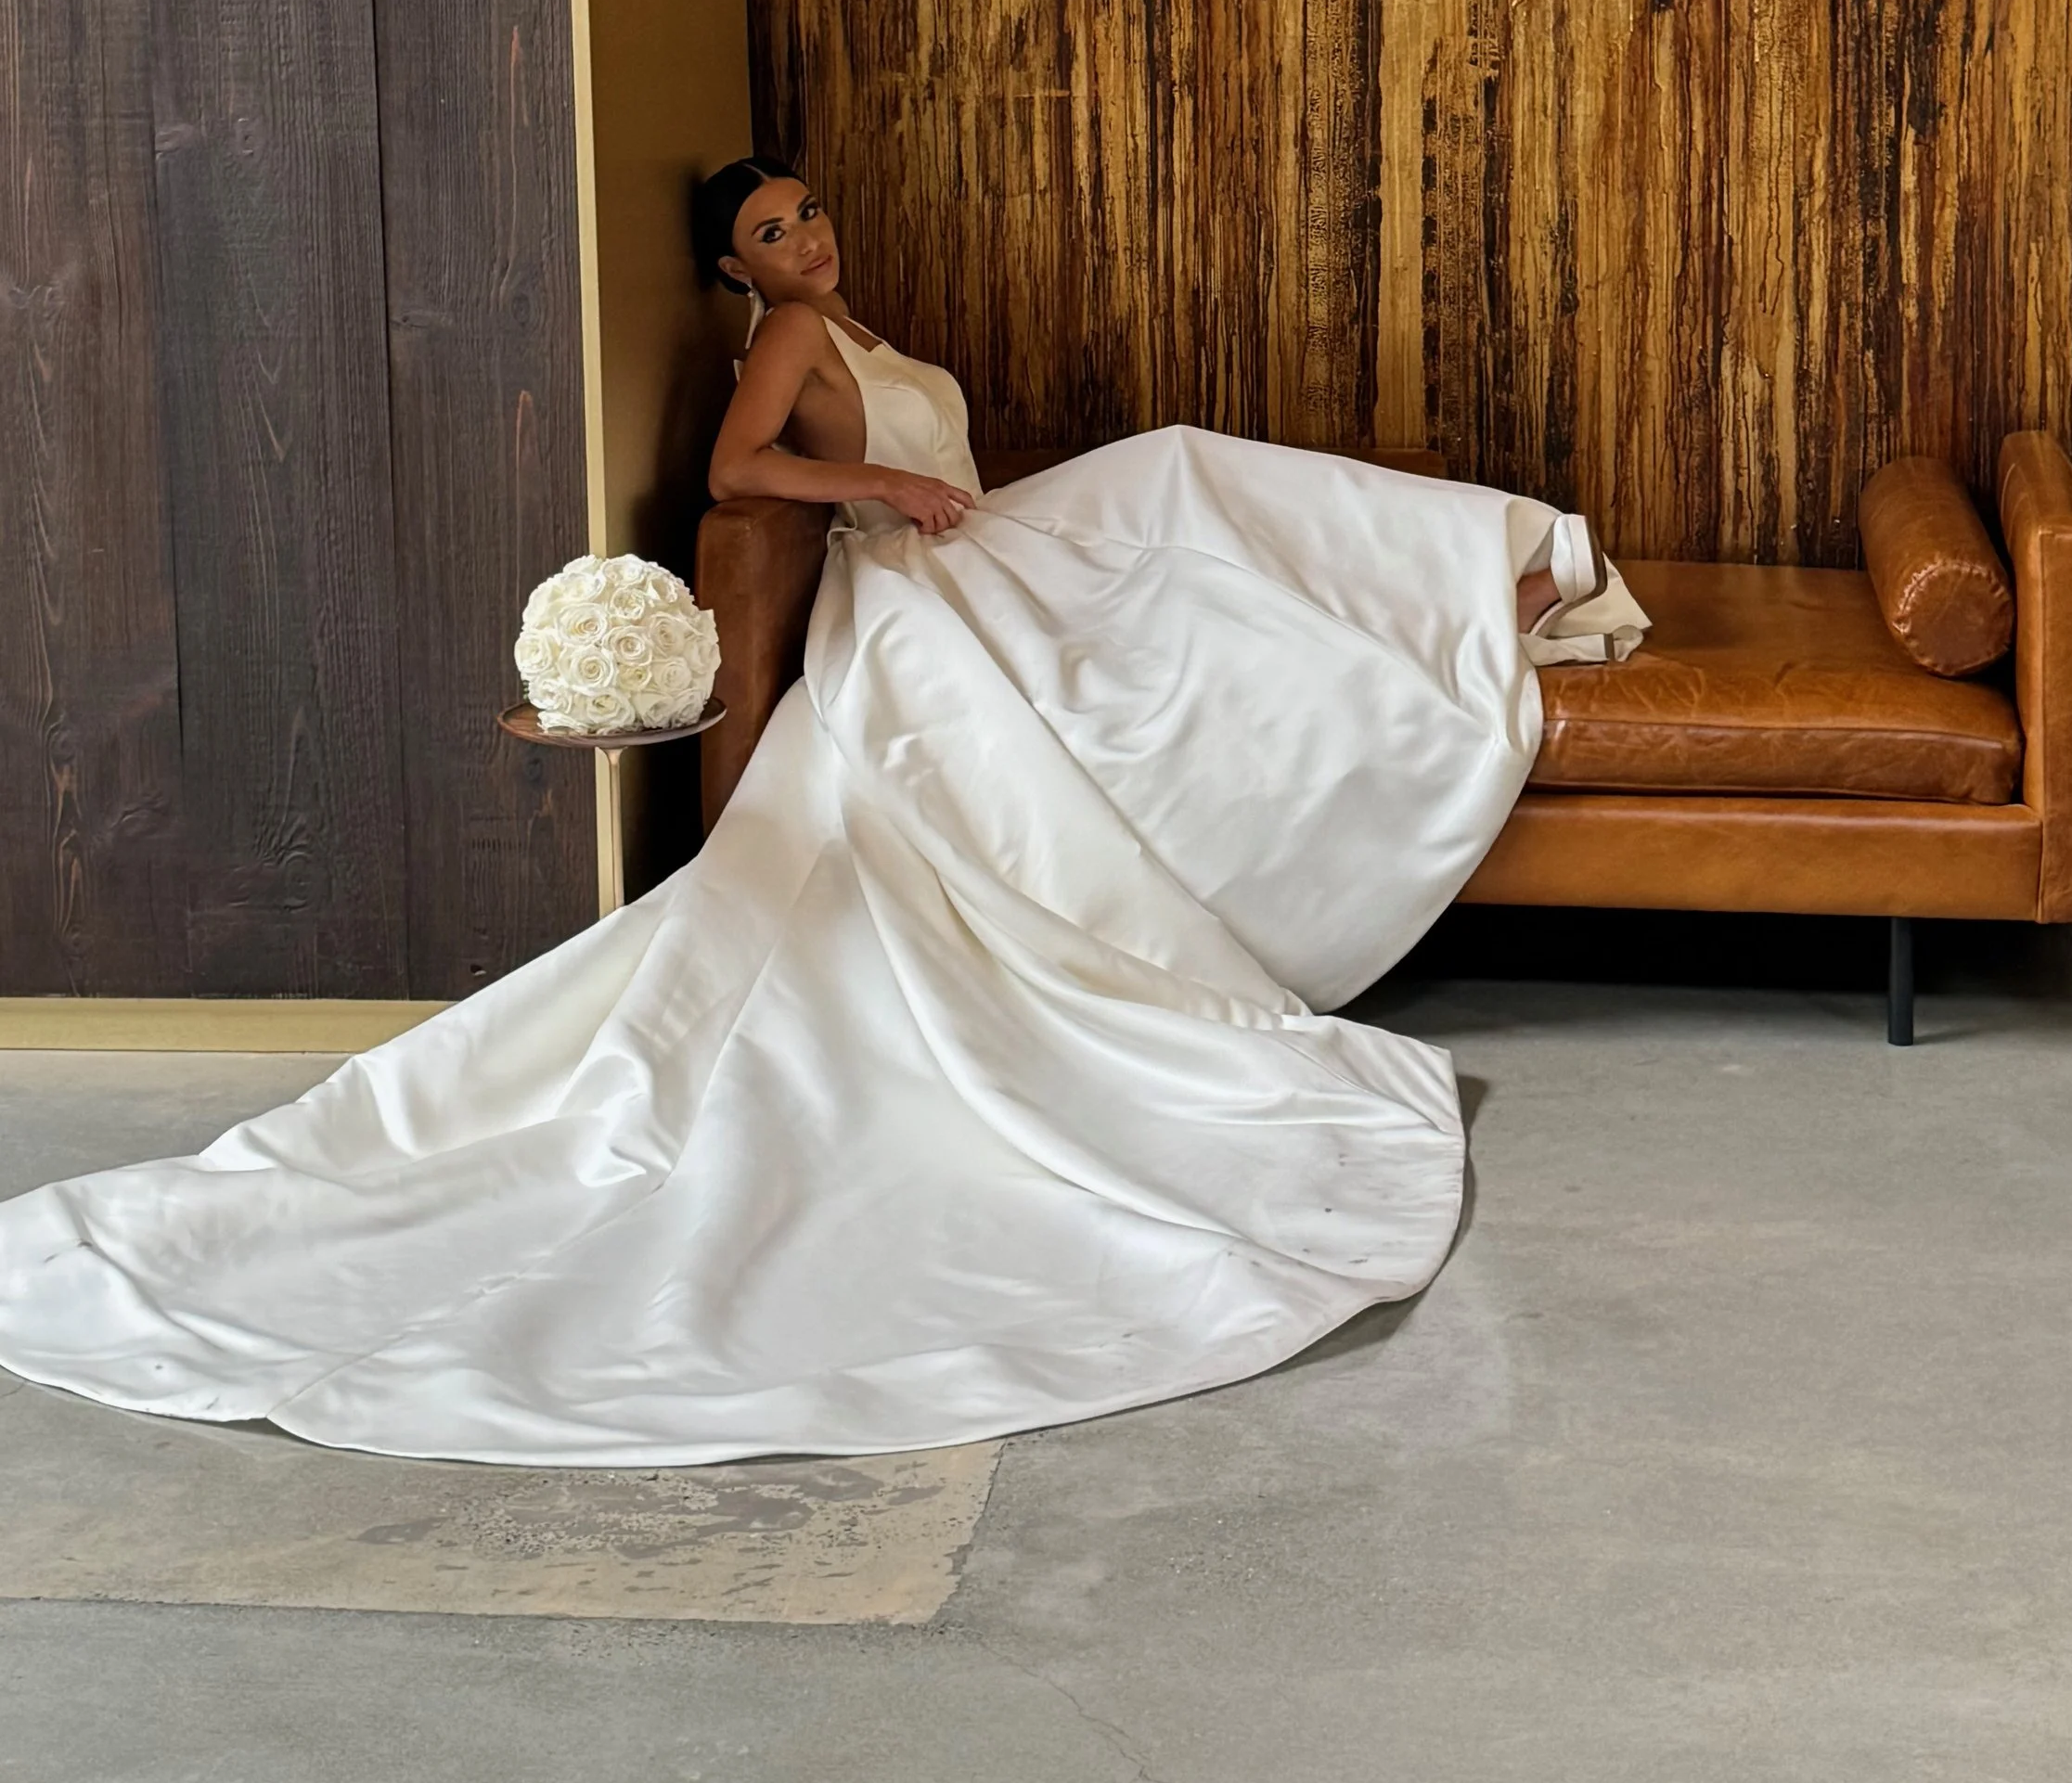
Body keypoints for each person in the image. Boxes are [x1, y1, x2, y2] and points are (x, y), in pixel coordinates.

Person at [0, 159, 1645, 1468]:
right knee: (1180, 473)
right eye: (771, 236)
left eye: (809, 216)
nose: (806, 245)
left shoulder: (853, 331)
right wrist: (882, 489)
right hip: (914, 577)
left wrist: (936, 492)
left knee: (1190, 500)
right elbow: (733, 477)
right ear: (740, 271)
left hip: (973, 546)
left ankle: (1467, 591)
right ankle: (1480, 586)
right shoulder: (784, 344)